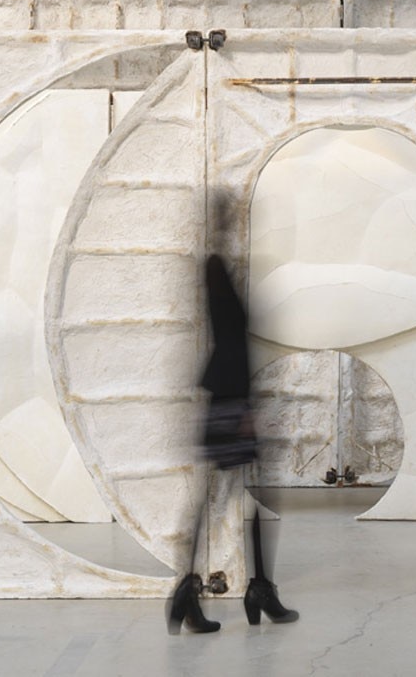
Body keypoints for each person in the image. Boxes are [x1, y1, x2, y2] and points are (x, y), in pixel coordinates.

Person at [167, 195, 299, 634]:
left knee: (229, 496)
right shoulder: (215, 266)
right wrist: (243, 404)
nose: (234, 221)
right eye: (229, 216)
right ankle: (254, 590)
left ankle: (199, 593)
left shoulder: (215, 266)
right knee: (245, 495)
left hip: (226, 397)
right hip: (228, 398)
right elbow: (229, 341)